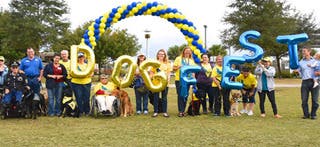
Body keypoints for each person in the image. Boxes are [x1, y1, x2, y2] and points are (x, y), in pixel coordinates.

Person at [296, 47, 319, 119]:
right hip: (305, 82)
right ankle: (306, 114)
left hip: (315, 81)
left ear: (309, 52)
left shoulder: (316, 61)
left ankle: (313, 114)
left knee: (315, 100)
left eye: (304, 51)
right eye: (302, 51)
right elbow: (299, 71)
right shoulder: (300, 62)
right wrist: (296, 71)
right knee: (304, 100)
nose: (303, 52)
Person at [173, 46, 196, 117]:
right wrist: (179, 67)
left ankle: (183, 110)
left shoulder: (191, 61)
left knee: (186, 95)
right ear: (184, 51)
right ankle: (180, 111)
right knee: (180, 95)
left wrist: (193, 79)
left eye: (189, 51)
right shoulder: (178, 58)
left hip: (188, 80)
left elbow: (193, 71)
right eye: (186, 50)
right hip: (179, 79)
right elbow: (173, 68)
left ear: (190, 52)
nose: (187, 52)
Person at [150, 49, 171, 117]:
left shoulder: (167, 64)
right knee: (156, 98)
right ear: (157, 55)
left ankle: (165, 112)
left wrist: (168, 81)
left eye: (162, 54)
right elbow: (151, 73)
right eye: (159, 54)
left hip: (164, 84)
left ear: (164, 55)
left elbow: (168, 74)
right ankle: (155, 111)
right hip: (156, 84)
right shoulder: (154, 64)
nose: (161, 55)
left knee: (164, 98)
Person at [71, 52, 93, 116]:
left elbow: (91, 73)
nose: (81, 58)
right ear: (77, 58)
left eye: (82, 57)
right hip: (76, 83)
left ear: (84, 57)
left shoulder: (87, 65)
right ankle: (80, 111)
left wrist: (88, 75)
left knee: (86, 98)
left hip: (86, 83)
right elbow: (72, 73)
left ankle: (87, 111)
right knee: (78, 97)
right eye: (79, 57)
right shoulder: (74, 65)